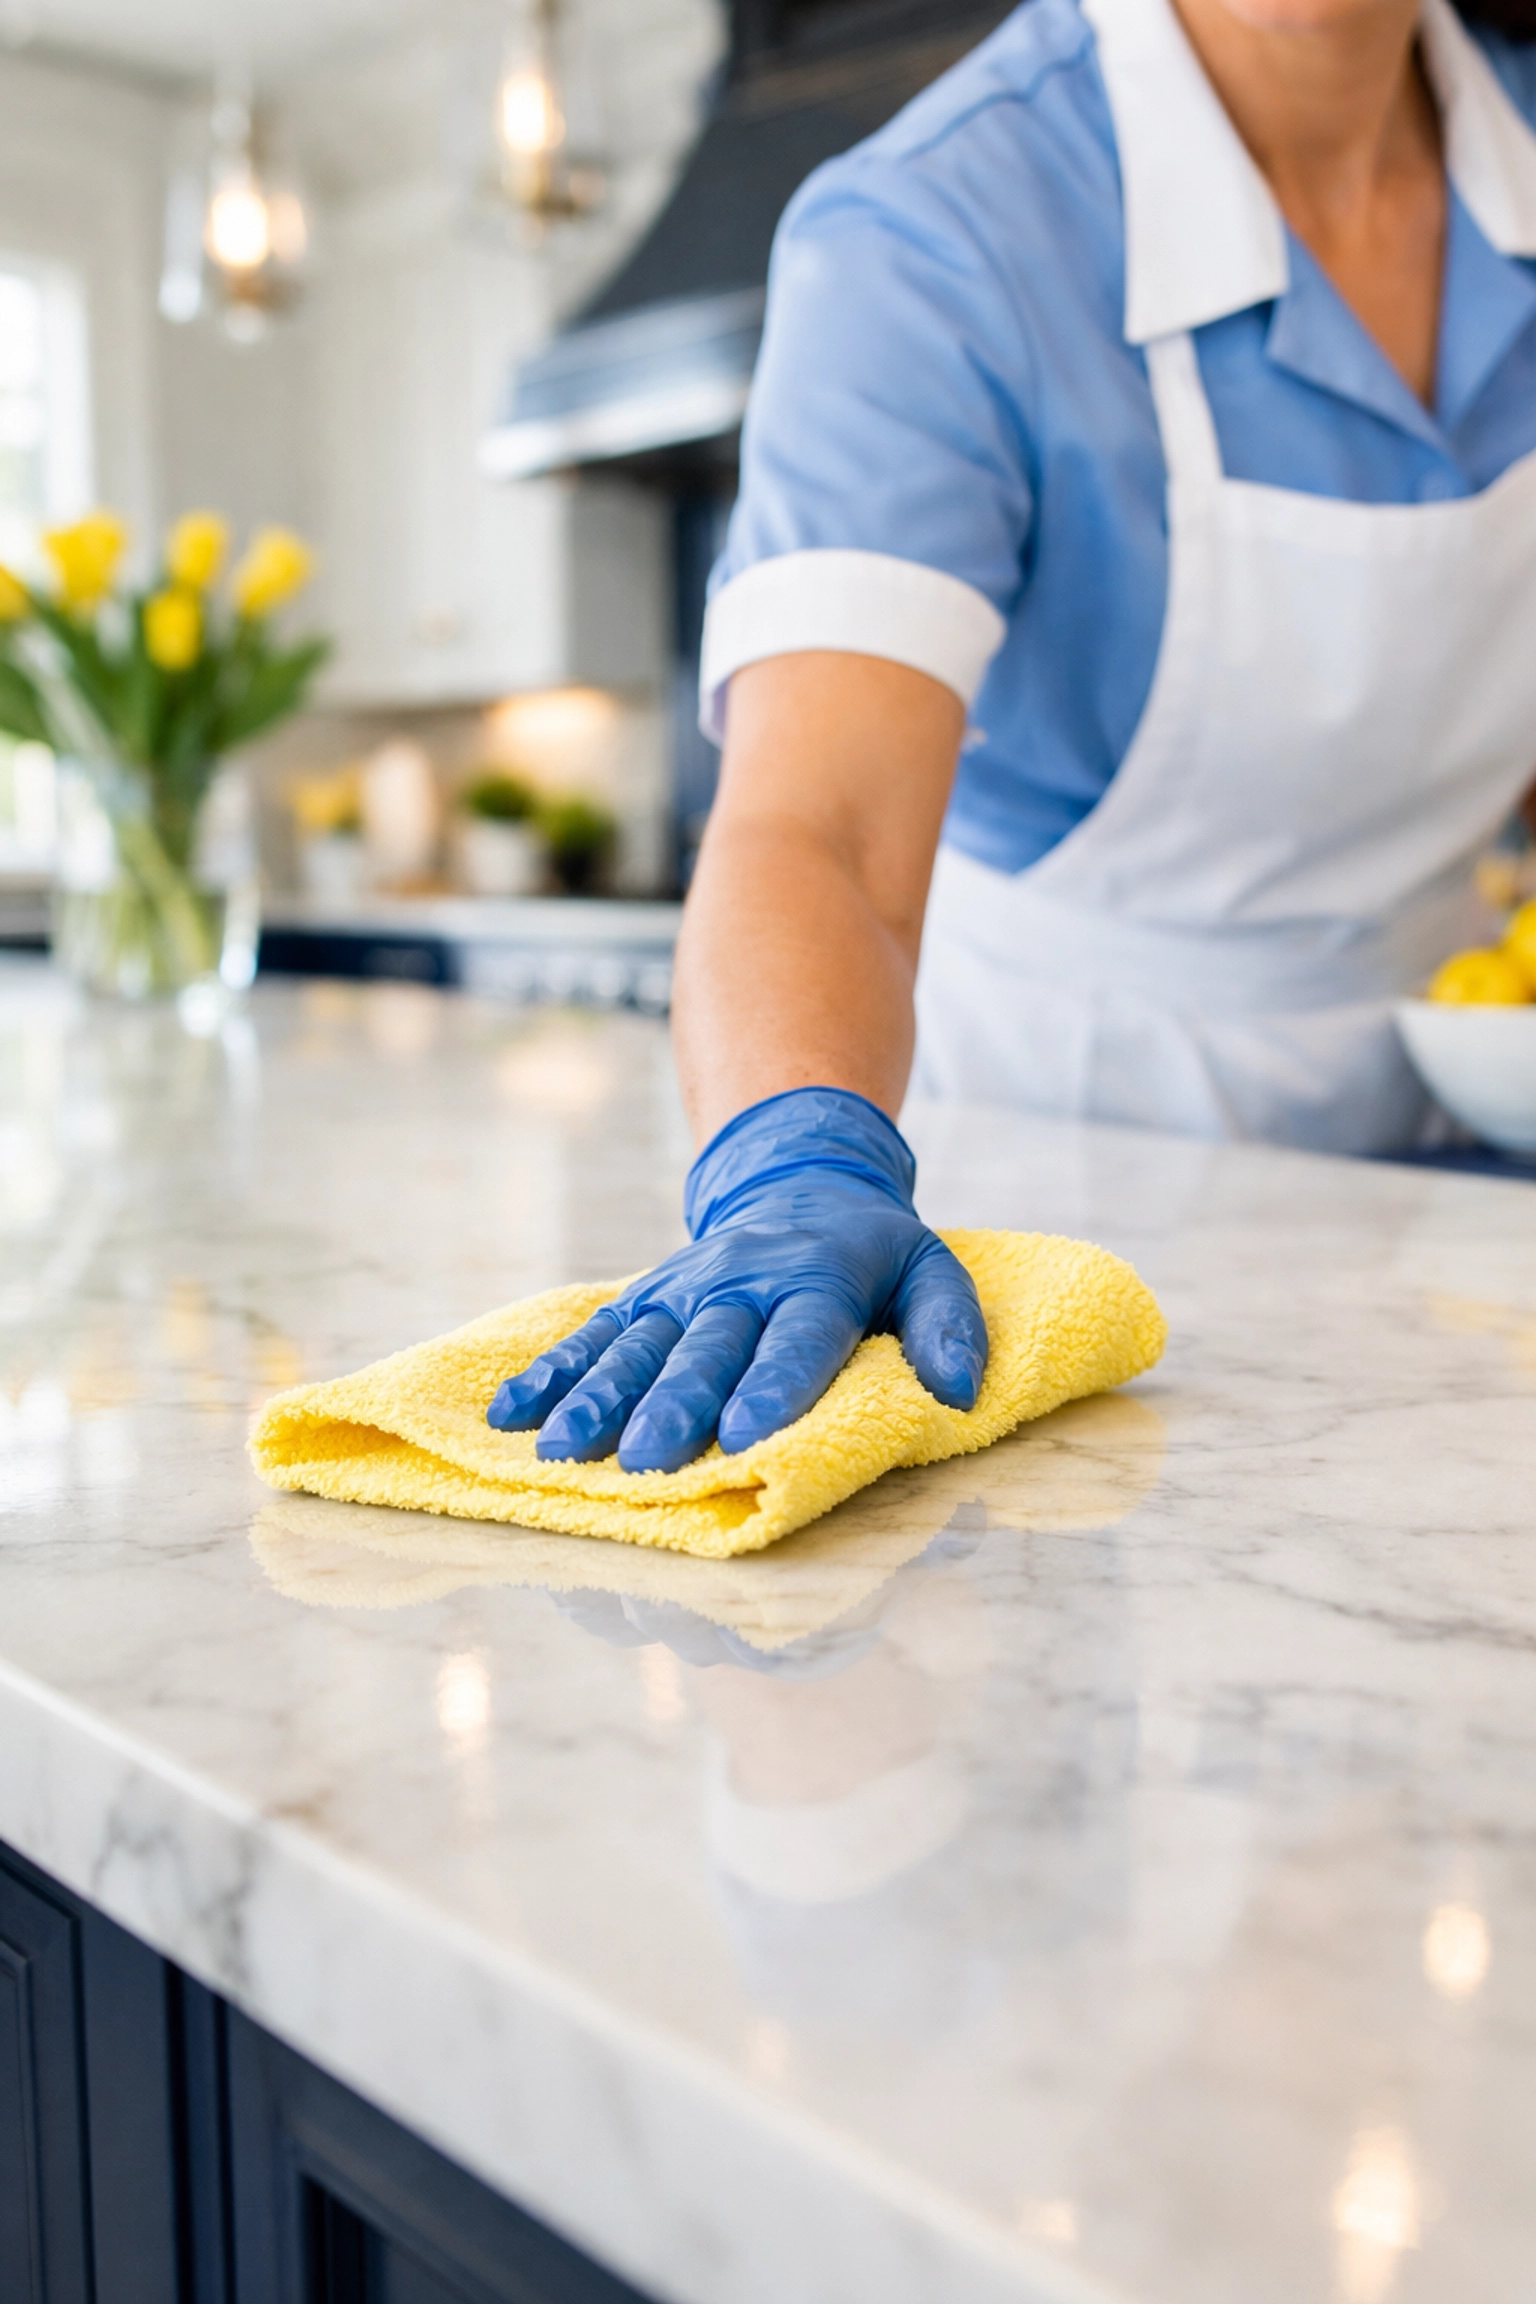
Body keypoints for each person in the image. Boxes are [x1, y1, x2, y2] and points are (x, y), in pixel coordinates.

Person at [489, 0, 1536, 1472]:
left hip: (1468, 1213)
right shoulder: (936, 233)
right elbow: (820, 828)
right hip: (1062, 1201)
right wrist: (793, 1161)